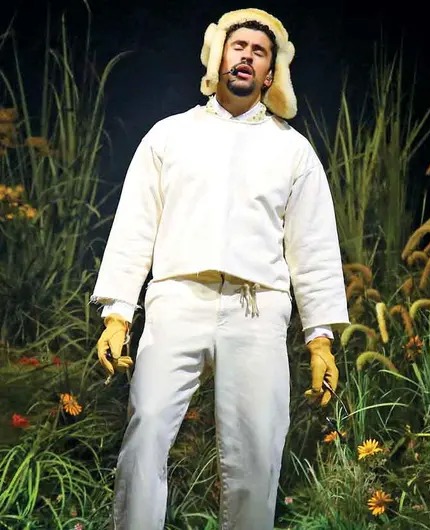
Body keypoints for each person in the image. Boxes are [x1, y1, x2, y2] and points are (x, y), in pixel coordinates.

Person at [89, 8, 350, 529]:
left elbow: (314, 246)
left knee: (258, 450)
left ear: (271, 74)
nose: (247, 57)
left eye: (259, 52)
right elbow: (136, 224)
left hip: (257, 309)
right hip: (177, 299)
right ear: (217, 56)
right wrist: (118, 313)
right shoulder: (169, 136)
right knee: (146, 432)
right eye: (239, 46)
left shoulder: (292, 150)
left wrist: (320, 339)